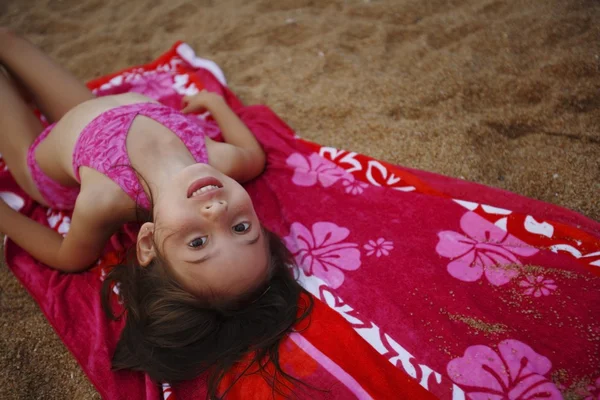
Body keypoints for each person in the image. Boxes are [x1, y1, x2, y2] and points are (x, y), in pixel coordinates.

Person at [0, 28, 312, 396]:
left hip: (45, 162)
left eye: (198, 242)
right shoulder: (217, 158)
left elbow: (67, 257)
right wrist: (218, 106)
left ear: (148, 242)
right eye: (242, 227)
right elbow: (255, 156)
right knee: (9, 39)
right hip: (92, 114)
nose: (216, 210)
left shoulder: (103, 198)